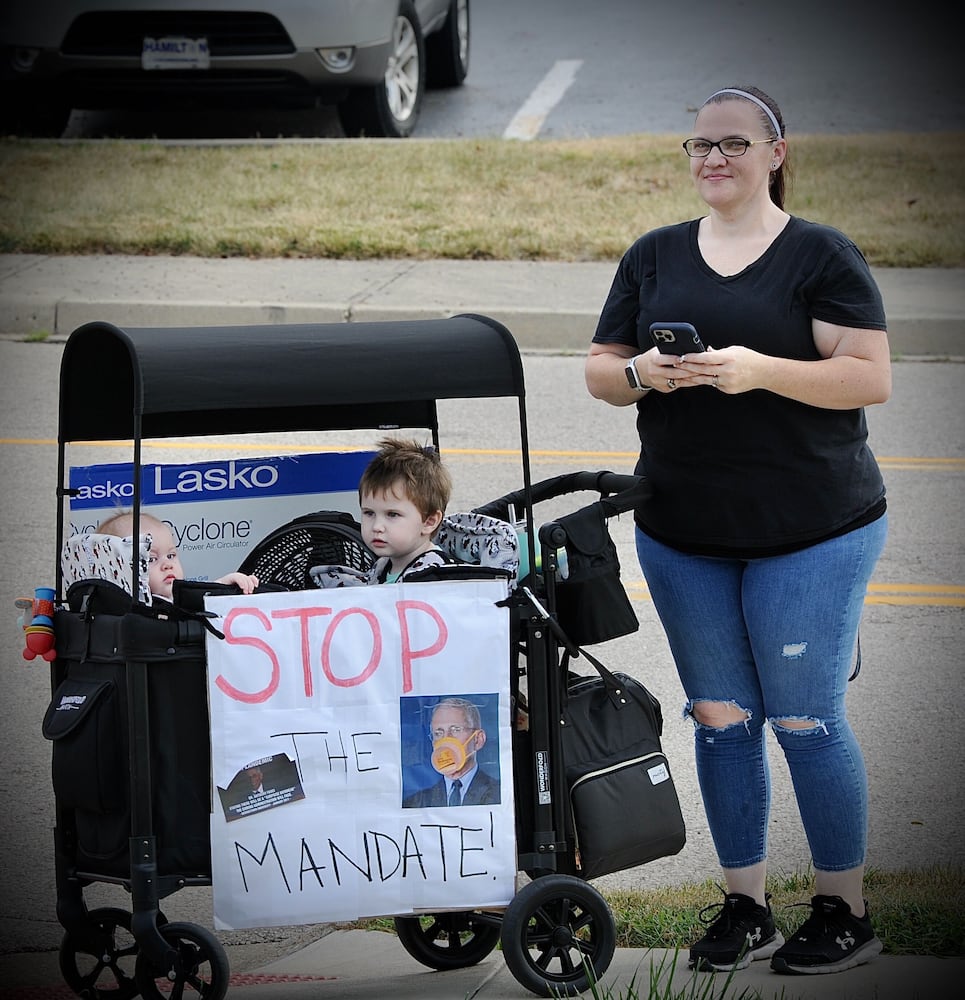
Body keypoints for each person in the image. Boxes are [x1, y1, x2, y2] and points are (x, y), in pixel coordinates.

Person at [585, 85, 890, 977]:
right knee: (720, 722)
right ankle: (744, 905)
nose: (712, 159)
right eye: (698, 145)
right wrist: (645, 371)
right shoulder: (654, 255)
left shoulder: (819, 255)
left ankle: (844, 909)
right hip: (682, 528)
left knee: (803, 720)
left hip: (812, 527)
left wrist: (760, 370)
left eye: (731, 143)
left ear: (775, 152)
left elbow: (867, 378)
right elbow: (602, 373)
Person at [312, 437, 460, 587]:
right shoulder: (383, 566)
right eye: (369, 513)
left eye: (392, 514)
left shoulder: (436, 579)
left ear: (429, 522)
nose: (377, 527)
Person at [97, 511, 259, 601]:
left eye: (171, 555)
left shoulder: (180, 595)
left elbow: (201, 596)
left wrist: (225, 584)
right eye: (151, 559)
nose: (167, 565)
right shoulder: (135, 608)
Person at [403, 697, 500, 808]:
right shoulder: (415, 804)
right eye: (438, 733)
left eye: (455, 730)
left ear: (478, 740)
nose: (446, 740)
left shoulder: (500, 794)